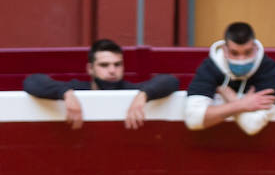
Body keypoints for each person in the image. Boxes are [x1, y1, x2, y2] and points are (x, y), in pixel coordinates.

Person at [22, 38, 179, 131]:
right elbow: (32, 81)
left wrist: (144, 94)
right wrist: (65, 93)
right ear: (90, 68)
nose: (112, 71)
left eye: (117, 64)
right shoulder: (77, 89)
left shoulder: (133, 91)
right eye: (104, 65)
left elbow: (170, 80)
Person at [183, 21, 275, 136]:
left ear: (255, 48)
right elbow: (193, 120)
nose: (241, 59)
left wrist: (229, 96)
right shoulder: (210, 67)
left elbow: (252, 125)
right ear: (224, 50)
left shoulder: (267, 68)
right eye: (234, 53)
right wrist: (242, 105)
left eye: (248, 52)